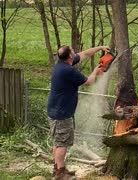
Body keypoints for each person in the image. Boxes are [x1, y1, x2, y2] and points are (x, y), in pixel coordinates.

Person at [47, 45, 109, 180]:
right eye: (73, 52)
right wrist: (95, 71)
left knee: (58, 142)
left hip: (56, 110)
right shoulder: (68, 70)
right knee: (62, 143)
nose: (75, 53)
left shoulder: (62, 63)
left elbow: (85, 54)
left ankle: (58, 168)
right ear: (69, 56)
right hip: (61, 113)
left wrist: (100, 48)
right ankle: (60, 173)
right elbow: (88, 82)